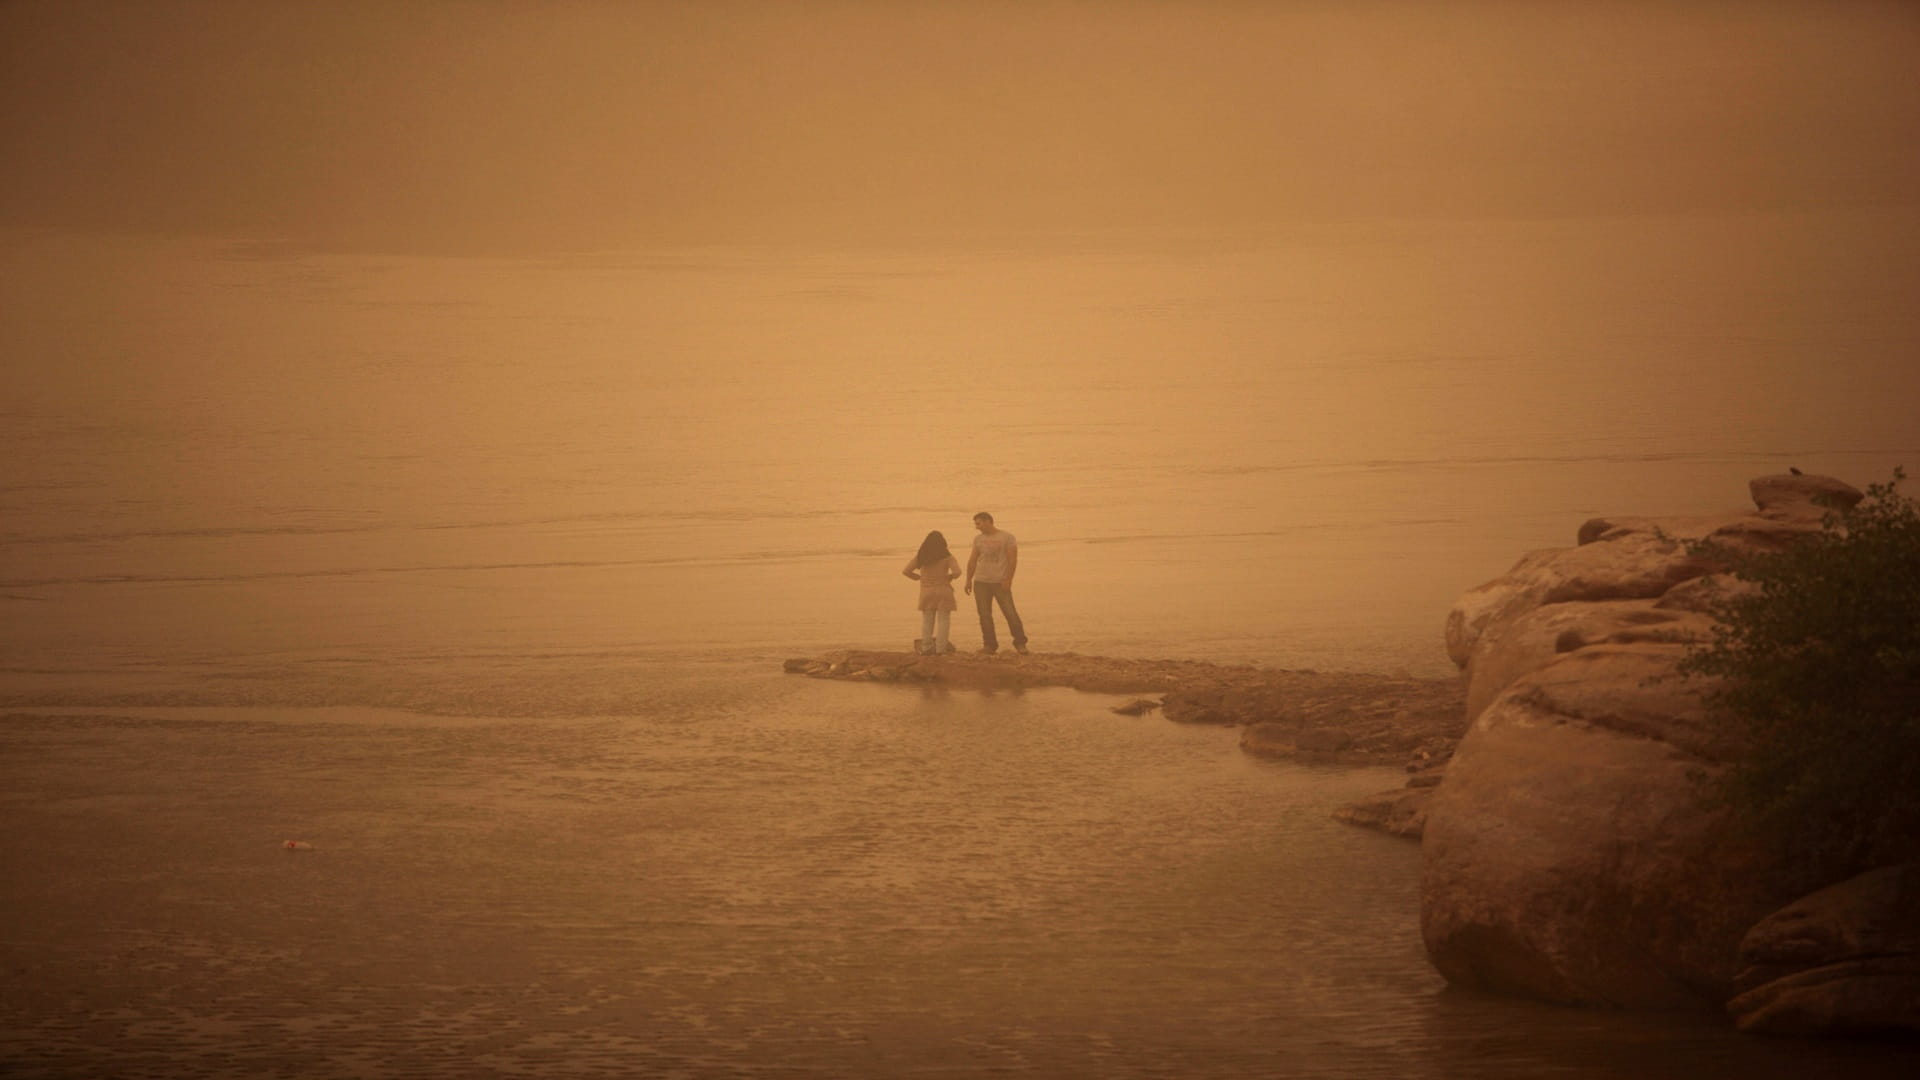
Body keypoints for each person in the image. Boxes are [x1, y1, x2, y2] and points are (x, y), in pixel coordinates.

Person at [964, 511, 1028, 654]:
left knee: (1010, 613)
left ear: (988, 521)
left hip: (1000, 581)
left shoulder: (1007, 537)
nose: (976, 527)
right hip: (981, 581)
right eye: (975, 524)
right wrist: (968, 580)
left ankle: (1020, 643)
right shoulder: (978, 539)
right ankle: (989, 645)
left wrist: (1008, 579)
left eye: (978, 523)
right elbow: (972, 560)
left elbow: (1013, 560)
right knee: (984, 615)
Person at [901, 530, 961, 655]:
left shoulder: (921, 556)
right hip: (944, 590)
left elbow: (906, 571)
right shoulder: (947, 556)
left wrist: (918, 578)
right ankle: (941, 649)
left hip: (927, 591)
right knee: (944, 620)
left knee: (927, 620)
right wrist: (950, 577)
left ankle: (926, 647)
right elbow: (957, 572)